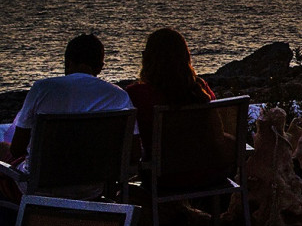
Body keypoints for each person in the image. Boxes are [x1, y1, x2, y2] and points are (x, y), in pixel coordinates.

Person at [5, 33, 134, 172]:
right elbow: (133, 152)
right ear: (100, 67)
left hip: (41, 185)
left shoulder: (42, 89)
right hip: (92, 186)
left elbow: (18, 149)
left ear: (67, 62)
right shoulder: (119, 96)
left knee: (2, 149)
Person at [125, 27, 217, 163]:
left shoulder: (136, 94)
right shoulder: (200, 89)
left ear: (147, 59)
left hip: (163, 179)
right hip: (208, 174)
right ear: (186, 58)